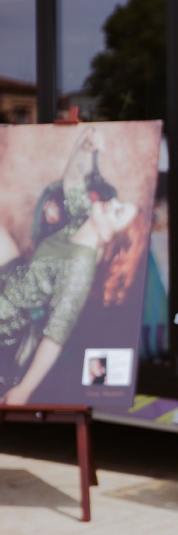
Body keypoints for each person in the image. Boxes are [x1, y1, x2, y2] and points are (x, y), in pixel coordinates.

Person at [0, 129, 144, 405]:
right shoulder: (83, 218)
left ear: (108, 238)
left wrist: (24, 391)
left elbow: (55, 337)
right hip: (15, 273)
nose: (112, 201)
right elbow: (73, 179)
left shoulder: (78, 270)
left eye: (117, 211)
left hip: (8, 308)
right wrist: (85, 145)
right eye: (118, 203)